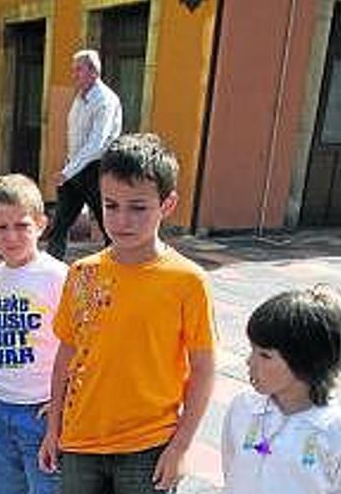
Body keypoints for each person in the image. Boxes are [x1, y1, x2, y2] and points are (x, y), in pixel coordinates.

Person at [38, 133, 216, 493]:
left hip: (148, 446)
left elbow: (203, 368)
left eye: (138, 207)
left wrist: (180, 446)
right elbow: (66, 356)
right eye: (111, 205)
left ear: (167, 205)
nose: (121, 220)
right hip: (80, 441)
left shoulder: (188, 281)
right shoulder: (82, 272)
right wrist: (53, 427)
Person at [0, 174, 68, 494]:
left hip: (40, 410)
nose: (11, 237)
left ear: (41, 224)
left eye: (22, 225)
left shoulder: (57, 276)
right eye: (1, 227)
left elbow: (80, 343)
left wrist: (62, 401)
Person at [222, 286, 341, 494]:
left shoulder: (338, 432)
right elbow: (230, 470)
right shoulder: (243, 407)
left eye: (265, 355)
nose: (249, 361)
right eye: (252, 349)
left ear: (305, 360)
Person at [46, 49, 123, 261]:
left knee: (108, 226)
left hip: (96, 170)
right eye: (74, 70)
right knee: (60, 224)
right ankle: (52, 269)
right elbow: (76, 138)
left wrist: (68, 170)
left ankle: (116, 267)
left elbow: (96, 144)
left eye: (78, 70)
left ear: (93, 72)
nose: (74, 75)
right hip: (74, 169)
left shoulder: (105, 100)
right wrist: (69, 166)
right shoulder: (80, 97)